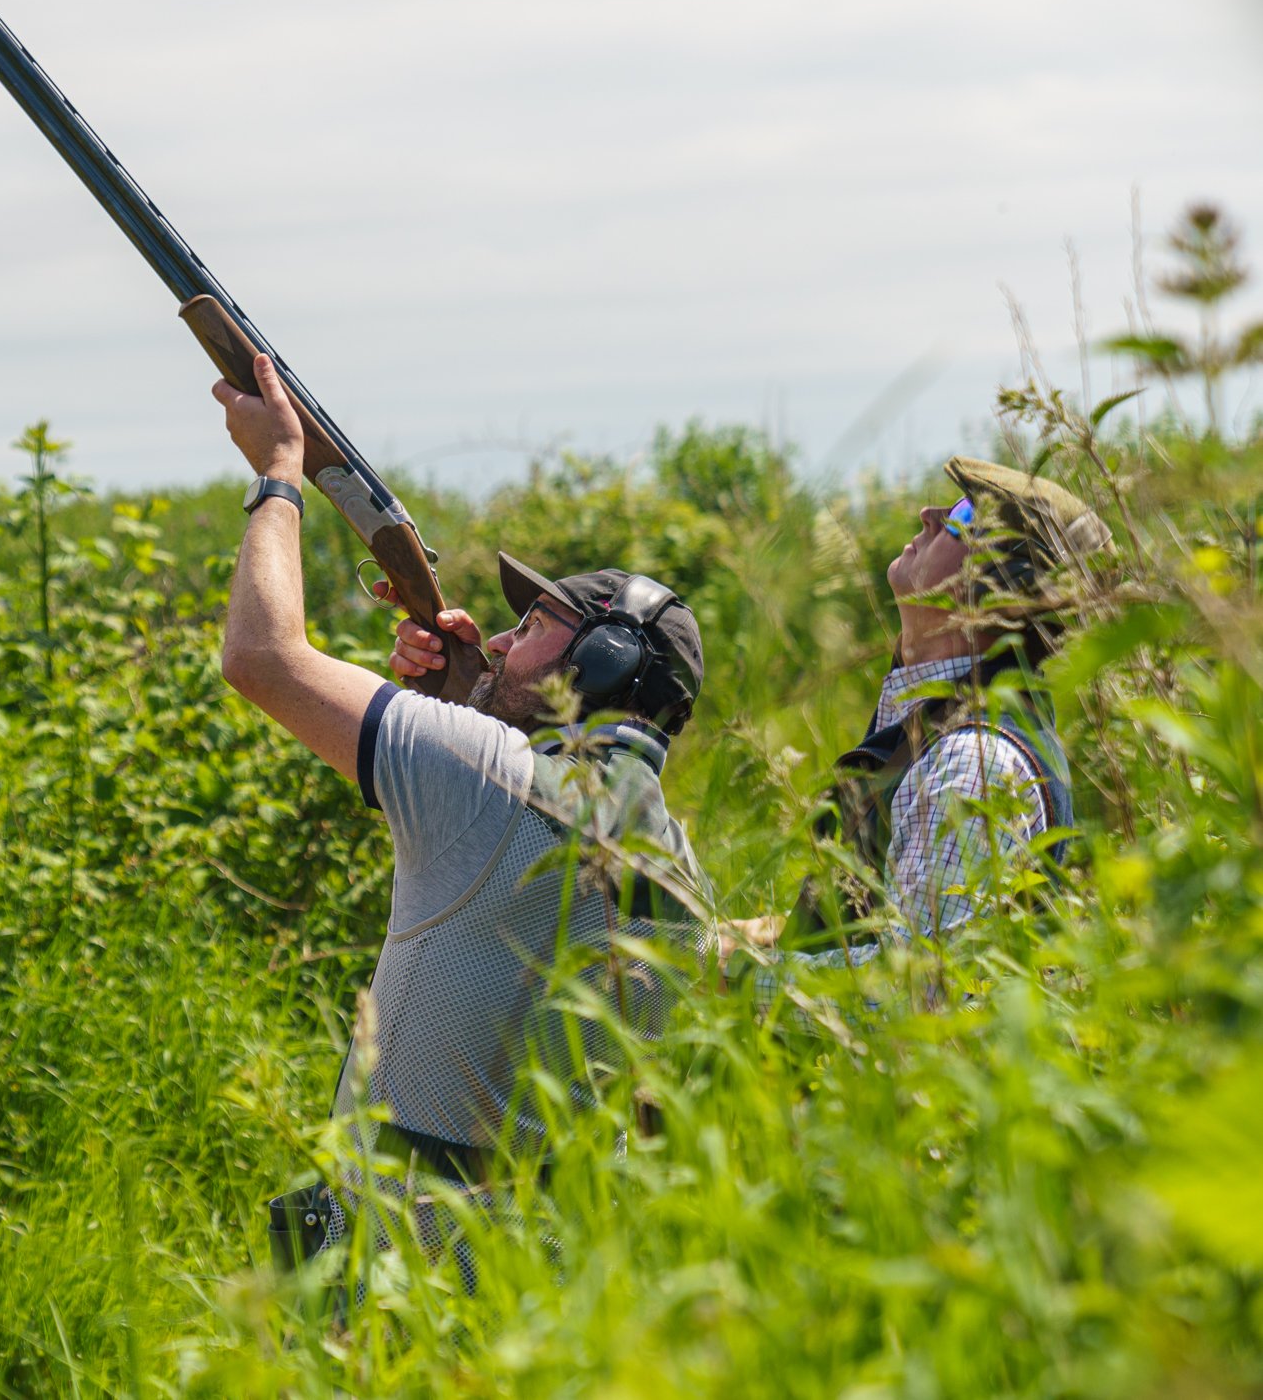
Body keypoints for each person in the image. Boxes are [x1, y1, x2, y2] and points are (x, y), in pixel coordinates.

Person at [210, 356, 711, 1272]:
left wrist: (278, 473)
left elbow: (259, 657)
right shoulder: (681, 870)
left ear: (598, 663)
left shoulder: (484, 773)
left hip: (404, 1277)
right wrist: (469, 704)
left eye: (538, 626)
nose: (508, 638)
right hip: (545, 1280)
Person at [723, 457, 1110, 976]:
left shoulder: (973, 762)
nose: (929, 513)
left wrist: (731, 976)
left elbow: (922, 989)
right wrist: (746, 937)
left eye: (965, 515)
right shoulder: (940, 720)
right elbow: (897, 920)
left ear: (1003, 586)